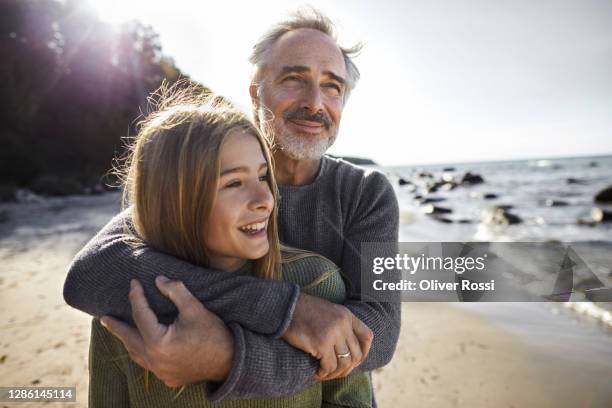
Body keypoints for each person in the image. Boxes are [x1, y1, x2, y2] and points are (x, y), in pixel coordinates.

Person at [63, 8, 400, 406]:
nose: (315, 102)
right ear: (256, 91)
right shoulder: (199, 178)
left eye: (332, 87)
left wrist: (230, 359)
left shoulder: (367, 193)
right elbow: (93, 271)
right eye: (294, 79)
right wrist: (286, 311)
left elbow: (378, 332)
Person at [86, 87, 373, 407]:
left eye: (264, 177)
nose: (266, 200)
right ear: (175, 201)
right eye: (234, 183)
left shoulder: (316, 283)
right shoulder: (126, 304)